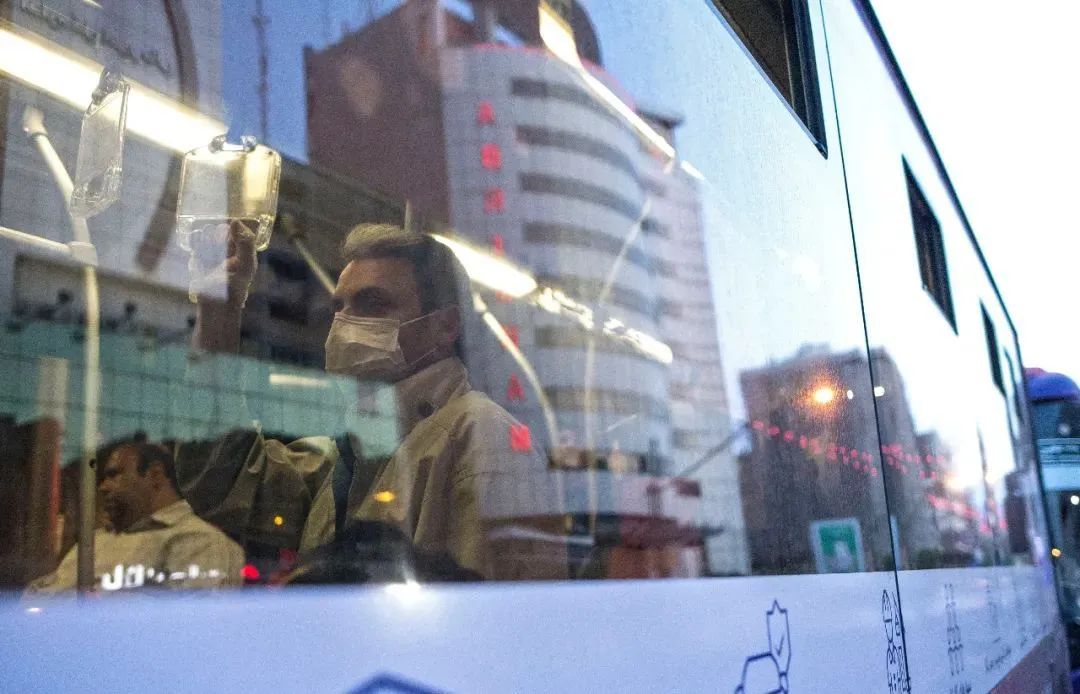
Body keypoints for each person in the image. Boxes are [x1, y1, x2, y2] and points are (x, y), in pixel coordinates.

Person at [176, 222, 565, 581]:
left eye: (372, 304)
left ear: (444, 326)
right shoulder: (353, 454)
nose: (344, 324)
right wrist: (218, 313)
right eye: (339, 308)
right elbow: (221, 479)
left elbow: (489, 617)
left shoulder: (481, 438)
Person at [26, 440, 244, 593]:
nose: (103, 487)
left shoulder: (198, 540)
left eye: (114, 475)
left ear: (154, 475)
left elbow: (187, 627)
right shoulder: (98, 539)